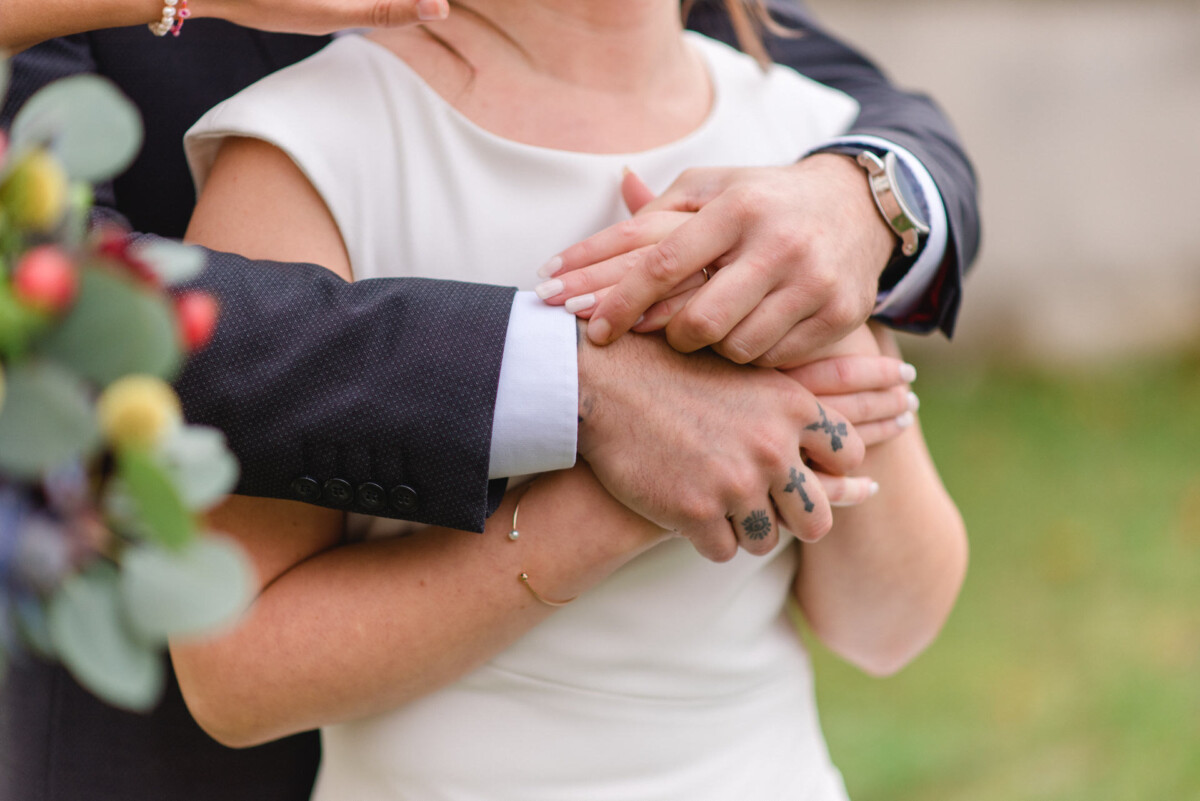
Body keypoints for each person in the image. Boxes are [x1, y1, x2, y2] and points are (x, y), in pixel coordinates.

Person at [0, 2, 978, 801]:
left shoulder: (807, 161)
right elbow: (236, 674)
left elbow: (890, 623)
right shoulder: (312, 146)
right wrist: (613, 494)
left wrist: (813, 327)